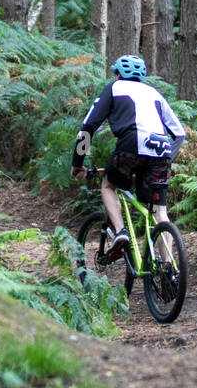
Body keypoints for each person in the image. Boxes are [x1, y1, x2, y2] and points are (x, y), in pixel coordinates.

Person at [71, 55, 186, 260]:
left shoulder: (114, 88)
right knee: (159, 213)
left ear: (117, 74)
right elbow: (180, 133)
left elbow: (89, 127)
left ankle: (121, 232)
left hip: (131, 144)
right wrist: (168, 160)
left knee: (108, 185)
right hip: (160, 149)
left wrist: (77, 163)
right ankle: (169, 271)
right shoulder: (154, 93)